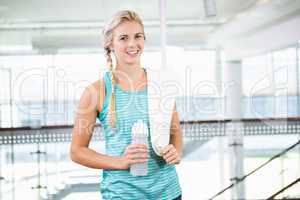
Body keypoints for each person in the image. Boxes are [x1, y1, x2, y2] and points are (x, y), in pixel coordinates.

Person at [70, 10, 182, 200]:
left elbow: (175, 132)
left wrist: (176, 152)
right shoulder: (96, 92)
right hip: (122, 194)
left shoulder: (161, 84)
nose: (132, 44)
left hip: (169, 193)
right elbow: (77, 151)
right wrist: (120, 161)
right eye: (123, 38)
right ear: (110, 44)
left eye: (138, 36)